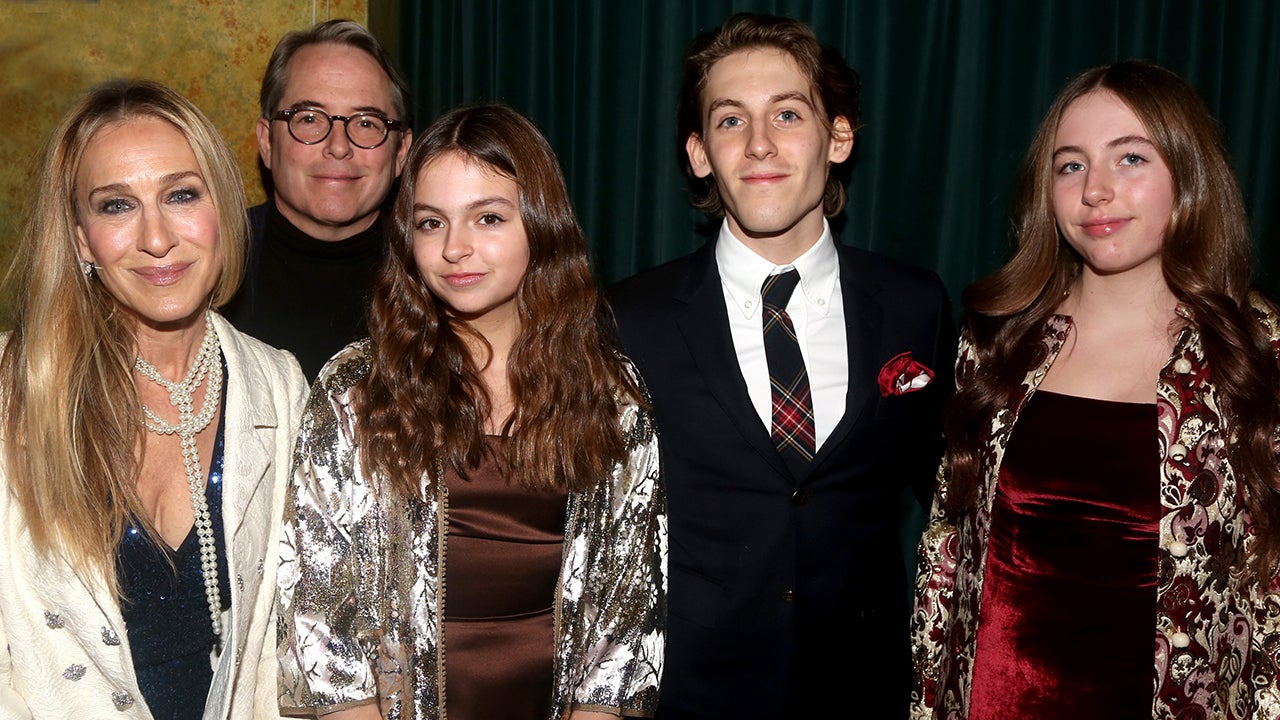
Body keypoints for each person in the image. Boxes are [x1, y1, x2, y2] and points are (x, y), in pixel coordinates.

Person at [609, 12, 954, 719]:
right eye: (731, 121)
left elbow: (949, 499)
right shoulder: (628, 319)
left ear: (839, 137)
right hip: (689, 697)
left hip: (864, 693)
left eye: (788, 114)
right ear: (700, 152)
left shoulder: (914, 307)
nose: (760, 144)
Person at [911, 60, 1280, 719]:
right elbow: (944, 565)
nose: (1096, 192)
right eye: (1070, 165)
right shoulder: (998, 344)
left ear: (1189, 175)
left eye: (1131, 158)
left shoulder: (1258, 354)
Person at [277, 104, 666, 720]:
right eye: (431, 223)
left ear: (541, 224)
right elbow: (325, 638)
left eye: (488, 217)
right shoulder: (357, 388)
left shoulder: (609, 392)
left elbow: (625, 628)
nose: (456, 248)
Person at [0, 79, 307, 719]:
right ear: (82, 238)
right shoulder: (13, 388)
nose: (157, 238)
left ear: (221, 207)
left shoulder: (278, 388)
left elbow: (289, 649)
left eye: (181, 195)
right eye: (116, 206)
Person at [222, 19, 413, 379]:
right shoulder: (205, 270)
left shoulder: (441, 279)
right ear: (267, 142)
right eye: (309, 118)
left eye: (367, 122)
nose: (338, 146)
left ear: (401, 151)